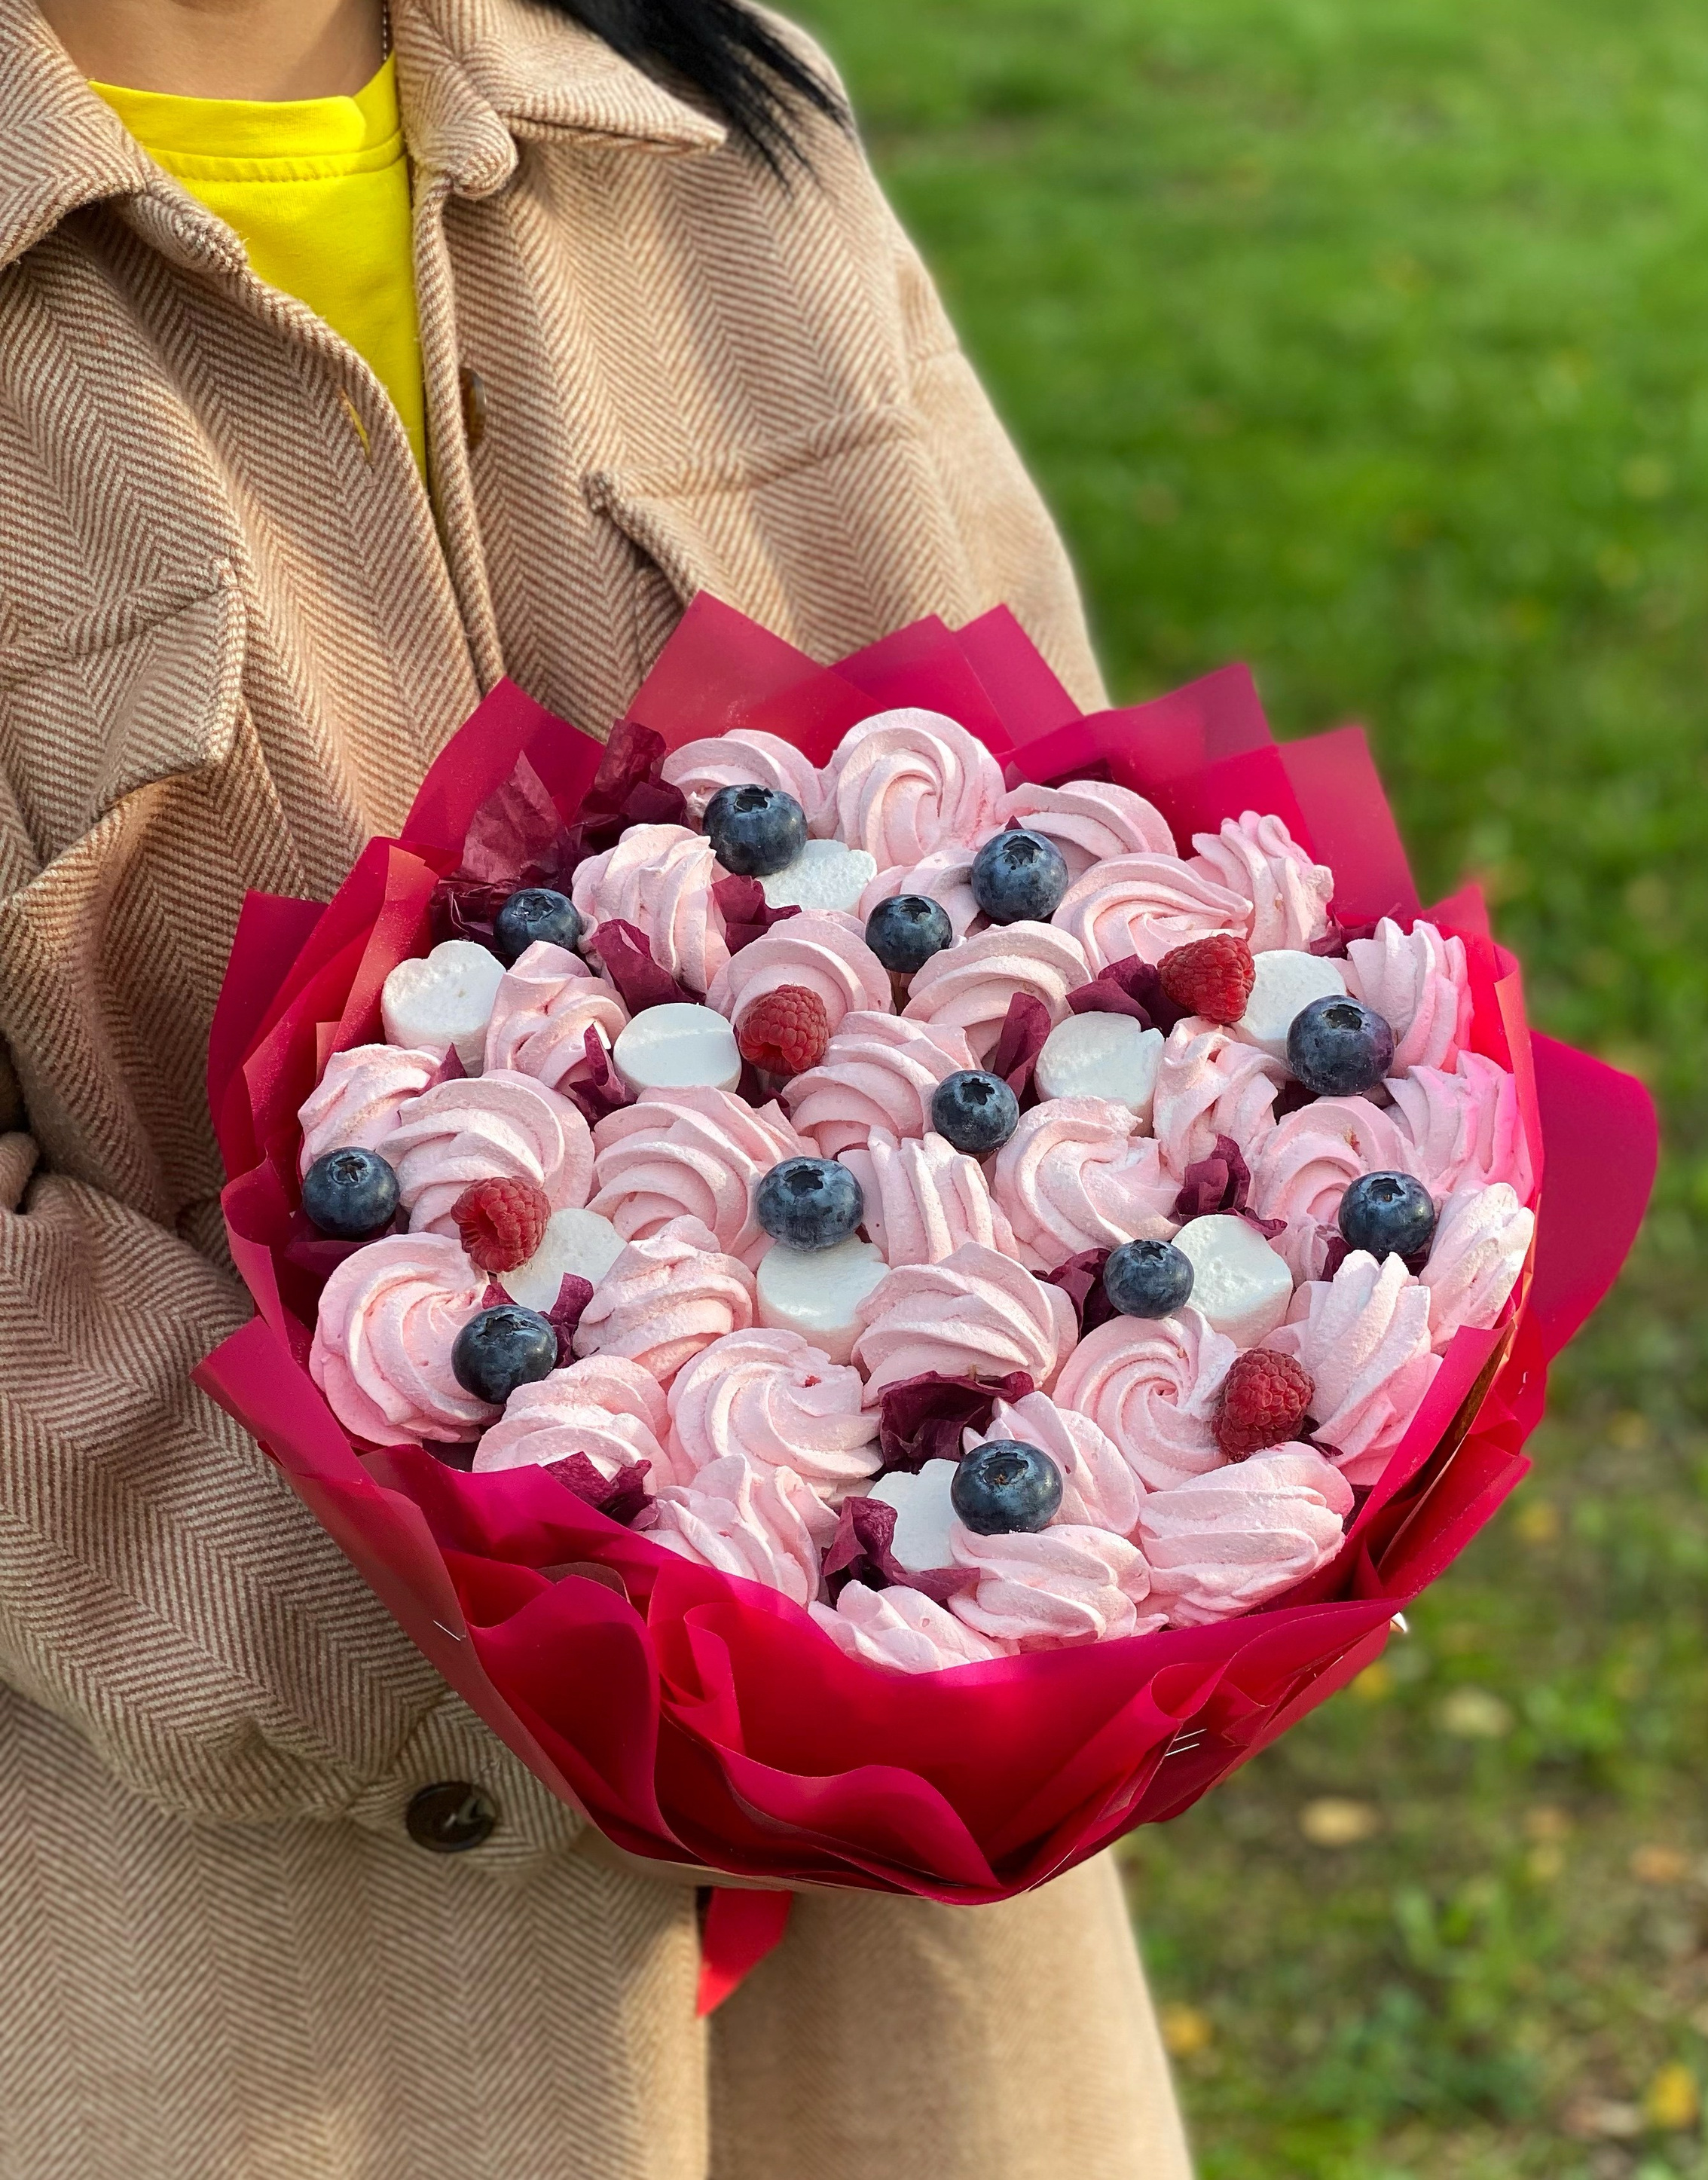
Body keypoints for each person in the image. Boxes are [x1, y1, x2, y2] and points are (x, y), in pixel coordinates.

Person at [0, 0, 1193, 2174]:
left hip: (914, 1944)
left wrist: (1116, 1450)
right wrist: (518, 1618)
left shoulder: (735, 131)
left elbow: (1100, 899)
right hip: (265, 1994)